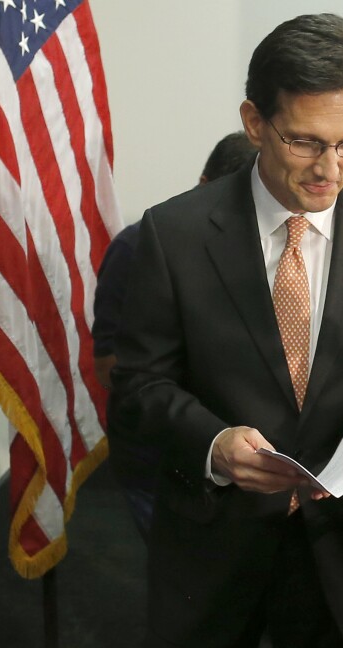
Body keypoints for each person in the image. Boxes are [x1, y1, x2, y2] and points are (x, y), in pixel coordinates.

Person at [108, 14, 343, 648]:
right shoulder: (174, 234)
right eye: (305, 142)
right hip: (213, 551)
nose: (329, 170)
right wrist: (214, 444)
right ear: (254, 122)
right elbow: (139, 386)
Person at [93, 131, 258, 541]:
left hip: (235, 458)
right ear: (202, 185)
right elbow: (107, 367)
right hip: (157, 458)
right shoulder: (138, 248)